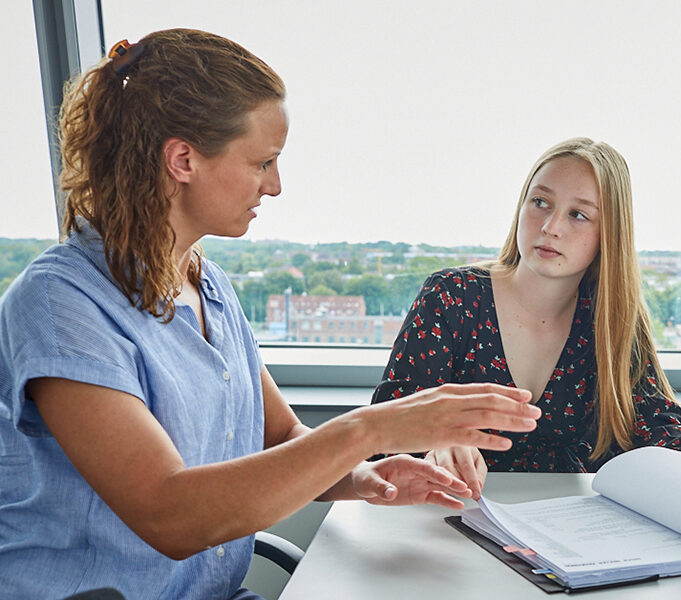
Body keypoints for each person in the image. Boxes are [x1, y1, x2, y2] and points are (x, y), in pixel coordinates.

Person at [0, 29, 541, 599]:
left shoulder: (207, 285)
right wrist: (372, 429)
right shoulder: (60, 305)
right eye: (262, 162)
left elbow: (278, 434)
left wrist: (364, 478)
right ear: (182, 159)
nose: (275, 185)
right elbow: (170, 515)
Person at [372, 137, 681, 497]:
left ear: (609, 234)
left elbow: (654, 425)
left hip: (571, 530)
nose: (552, 227)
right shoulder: (450, 297)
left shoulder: (613, 320)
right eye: (540, 202)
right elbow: (385, 428)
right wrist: (436, 444)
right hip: (449, 517)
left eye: (578, 215)